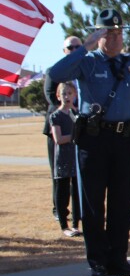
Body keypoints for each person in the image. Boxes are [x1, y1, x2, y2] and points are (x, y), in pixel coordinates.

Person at [48, 8, 130, 276]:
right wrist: (85, 46)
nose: (115, 38)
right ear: (98, 35)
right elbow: (55, 72)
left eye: (119, 33)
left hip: (124, 140)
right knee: (93, 203)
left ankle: (118, 259)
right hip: (93, 141)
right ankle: (97, 262)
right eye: (109, 33)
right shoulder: (87, 62)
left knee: (122, 203)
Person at [43, 36, 82, 222]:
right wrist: (67, 107)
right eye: (70, 47)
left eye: (78, 47)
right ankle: (59, 210)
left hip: (80, 126)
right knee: (59, 173)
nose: (74, 50)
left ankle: (79, 212)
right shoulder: (55, 71)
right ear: (64, 50)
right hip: (59, 125)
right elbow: (51, 96)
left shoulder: (85, 69)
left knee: (79, 173)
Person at [49, 81, 81, 238]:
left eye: (70, 93)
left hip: (77, 157)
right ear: (58, 96)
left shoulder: (78, 114)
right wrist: (76, 136)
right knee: (62, 192)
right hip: (63, 158)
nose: (67, 97)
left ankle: (76, 224)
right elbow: (59, 139)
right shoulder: (56, 116)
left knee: (77, 192)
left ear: (75, 95)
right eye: (64, 94)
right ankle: (64, 224)